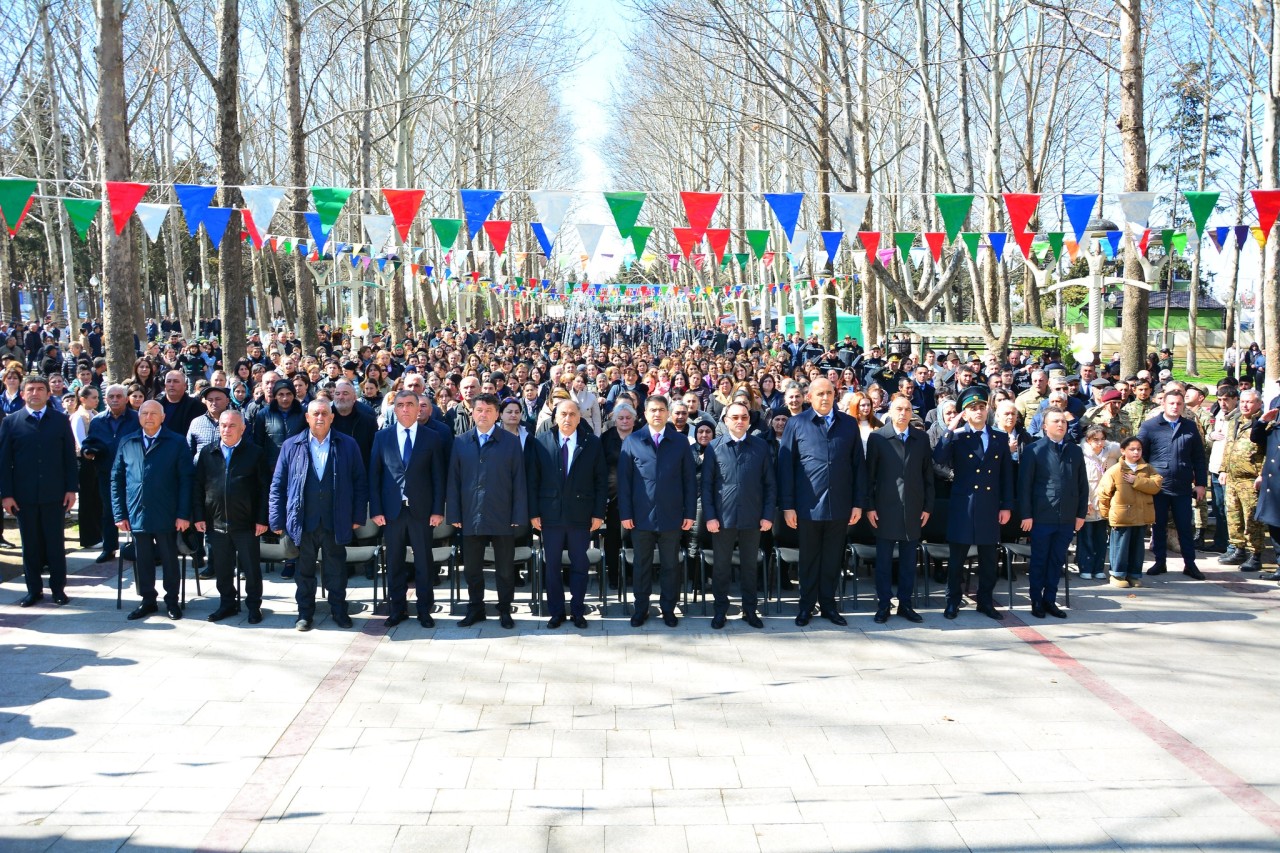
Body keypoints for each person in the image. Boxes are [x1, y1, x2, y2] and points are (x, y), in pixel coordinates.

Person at [268, 399, 369, 631]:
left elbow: (359, 482)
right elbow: (278, 484)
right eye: (315, 413)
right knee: (304, 572)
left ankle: (339, 611)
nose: (320, 417)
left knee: (336, 570)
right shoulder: (291, 445)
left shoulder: (348, 444)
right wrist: (276, 519)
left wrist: (357, 516)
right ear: (307, 417)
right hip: (303, 520)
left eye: (325, 413)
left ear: (332, 417)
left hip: (336, 519)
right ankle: (305, 614)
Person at [778, 377, 864, 627]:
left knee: (832, 559)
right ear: (810, 397)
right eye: (820, 394)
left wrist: (858, 503)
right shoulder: (796, 423)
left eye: (829, 393)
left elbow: (858, 466)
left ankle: (828, 606)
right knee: (809, 559)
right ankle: (806, 607)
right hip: (807, 506)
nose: (825, 398)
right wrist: (788, 505)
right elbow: (786, 467)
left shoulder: (848, 424)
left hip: (839, 505)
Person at [447, 393, 529, 628]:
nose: (483, 414)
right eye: (479, 410)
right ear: (472, 412)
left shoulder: (511, 442)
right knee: (472, 568)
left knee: (505, 569)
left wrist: (517, 515)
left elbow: (519, 481)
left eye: (488, 411)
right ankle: (476, 609)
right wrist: (454, 514)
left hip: (502, 514)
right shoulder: (461, 441)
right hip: (471, 514)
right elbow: (453, 481)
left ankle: (505, 610)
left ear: (496, 415)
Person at [932, 386, 1013, 620]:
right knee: (957, 560)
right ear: (964, 413)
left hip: (989, 506)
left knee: (989, 560)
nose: (978, 411)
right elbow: (938, 458)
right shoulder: (957, 437)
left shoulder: (999, 437)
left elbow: (1006, 474)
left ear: (987, 409)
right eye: (971, 408)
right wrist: (950, 429)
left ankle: (985, 602)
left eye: (981, 407)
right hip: (964, 506)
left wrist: (1006, 505)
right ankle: (952, 601)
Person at [617, 394, 698, 628]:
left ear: (668, 413)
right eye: (652, 410)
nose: (657, 414)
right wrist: (626, 513)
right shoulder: (632, 441)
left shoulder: (680, 442)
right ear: (645, 414)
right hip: (640, 516)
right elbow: (625, 483)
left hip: (672, 515)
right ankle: (641, 609)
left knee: (670, 565)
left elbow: (689, 481)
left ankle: (668, 609)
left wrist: (689, 513)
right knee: (642, 565)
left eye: (661, 410)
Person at [527, 399, 607, 629]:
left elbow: (600, 481)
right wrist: (533, 512)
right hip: (549, 515)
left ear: (579, 418)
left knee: (580, 564)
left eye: (573, 414)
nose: (567, 418)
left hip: (580, 515)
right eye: (563, 414)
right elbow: (533, 480)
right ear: (555, 417)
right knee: (551, 565)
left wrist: (598, 513)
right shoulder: (541, 441)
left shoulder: (591, 443)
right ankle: (556, 612)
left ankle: (578, 611)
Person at [112, 400, 194, 621]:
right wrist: (119, 514)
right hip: (137, 511)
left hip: (167, 513)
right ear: (139, 417)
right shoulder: (128, 442)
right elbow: (116, 478)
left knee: (169, 559)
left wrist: (183, 513)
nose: (149, 417)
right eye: (144, 413)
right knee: (144, 559)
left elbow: (187, 480)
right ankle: (148, 600)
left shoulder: (176, 442)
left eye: (153, 413)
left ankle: (172, 601)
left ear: (163, 417)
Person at [370, 390, 445, 629]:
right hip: (392, 512)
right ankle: (397, 609)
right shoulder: (382, 437)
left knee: (424, 562)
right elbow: (375, 477)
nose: (405, 409)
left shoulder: (431, 437)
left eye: (410, 404)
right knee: (394, 562)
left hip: (421, 511)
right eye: (400, 405)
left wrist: (437, 510)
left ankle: (424, 610)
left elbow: (438, 478)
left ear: (418, 408)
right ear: (394, 409)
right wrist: (376, 509)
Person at [0, 376, 78, 607]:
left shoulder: (60, 420)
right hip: (23, 496)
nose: (35, 393)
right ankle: (34, 590)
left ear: (47, 394)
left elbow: (68, 459)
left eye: (40, 389)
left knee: (55, 543)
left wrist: (71, 489)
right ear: (23, 394)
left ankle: (58, 590)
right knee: (30, 544)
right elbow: (4, 462)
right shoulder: (11, 422)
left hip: (55, 494)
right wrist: (6, 494)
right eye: (30, 389)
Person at [701, 400, 776, 629]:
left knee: (749, 567)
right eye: (735, 417)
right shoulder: (714, 447)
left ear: (749, 420)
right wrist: (710, 517)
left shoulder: (761, 447)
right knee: (722, 567)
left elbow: (770, 485)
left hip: (753, 518)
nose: (740, 421)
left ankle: (750, 611)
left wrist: (767, 515)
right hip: (722, 519)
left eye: (744, 417)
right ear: (725, 420)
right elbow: (706, 486)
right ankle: (720, 611)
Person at [192, 410, 271, 624]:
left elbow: (265, 489)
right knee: (223, 569)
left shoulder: (255, 453)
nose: (227, 430)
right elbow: (198, 487)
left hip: (246, 524)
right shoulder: (208, 453)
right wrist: (199, 516)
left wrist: (262, 519)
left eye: (232, 426)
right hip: (216, 523)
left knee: (251, 569)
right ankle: (227, 604)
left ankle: (254, 606)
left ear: (243, 429)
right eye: (223, 425)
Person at [863, 394, 935, 624]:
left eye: (907, 409)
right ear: (890, 412)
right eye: (899, 409)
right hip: (885, 508)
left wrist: (928, 507)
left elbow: (928, 476)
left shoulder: (921, 438)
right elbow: (869, 477)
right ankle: (883, 604)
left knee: (907, 562)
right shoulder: (878, 438)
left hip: (914, 509)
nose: (903, 413)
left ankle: (905, 604)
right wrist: (870, 507)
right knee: (883, 562)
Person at [1019, 409, 1088, 618]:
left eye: (1063, 421)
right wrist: (1026, 515)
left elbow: (1082, 484)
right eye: (1055, 421)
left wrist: (1080, 514)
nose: (1061, 424)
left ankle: (1050, 599)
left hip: (1067, 517)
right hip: (1042, 516)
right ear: (1044, 426)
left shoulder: (1074, 451)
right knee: (1040, 560)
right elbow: (1024, 486)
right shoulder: (1034, 450)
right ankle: (1036, 601)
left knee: (1057, 561)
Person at [1138, 387, 1208, 580]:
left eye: (1179, 403)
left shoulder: (1190, 426)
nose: (1175, 407)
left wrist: (1201, 483)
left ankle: (1190, 564)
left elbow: (1199, 458)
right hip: (1158, 486)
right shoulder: (1150, 426)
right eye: (1171, 403)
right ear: (1163, 404)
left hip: (1182, 486)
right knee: (1158, 526)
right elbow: (1140, 456)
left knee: (1184, 527)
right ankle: (1160, 562)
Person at [82, 383, 141, 563]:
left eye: (118, 396)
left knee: (136, 509)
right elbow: (89, 442)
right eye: (111, 397)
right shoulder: (98, 421)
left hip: (132, 473)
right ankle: (109, 547)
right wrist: (87, 451)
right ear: (105, 399)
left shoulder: (136, 418)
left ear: (125, 398)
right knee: (109, 511)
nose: (115, 400)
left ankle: (140, 547)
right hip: (106, 472)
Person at [1097, 437, 1163, 587]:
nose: (1136, 452)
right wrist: (1107, 514)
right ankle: (1118, 575)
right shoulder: (1115, 470)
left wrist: (1137, 481)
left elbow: (1156, 485)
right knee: (1120, 546)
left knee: (1137, 547)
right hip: (1122, 516)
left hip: (1141, 515)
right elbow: (1104, 494)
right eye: (1132, 449)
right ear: (1123, 451)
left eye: (1138, 449)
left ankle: (1134, 574)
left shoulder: (1147, 468)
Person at [1219, 389, 1266, 572]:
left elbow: (1268, 452)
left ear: (1259, 404)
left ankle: (1256, 553)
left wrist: (1262, 474)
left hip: (1251, 478)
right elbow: (1228, 446)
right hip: (1233, 477)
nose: (1245, 405)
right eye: (1243, 402)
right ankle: (1238, 548)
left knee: (1252, 519)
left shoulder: (1263, 423)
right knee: (1233, 515)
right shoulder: (1236, 421)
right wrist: (1223, 469)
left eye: (1250, 402)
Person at [1079, 425, 1121, 580]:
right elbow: (1080, 481)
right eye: (1095, 439)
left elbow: (1121, 449)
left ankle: (1098, 567)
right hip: (1088, 500)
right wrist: (1085, 500)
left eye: (1102, 439)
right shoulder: (1082, 454)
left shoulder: (1110, 454)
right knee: (1086, 537)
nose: (1099, 443)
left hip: (1104, 501)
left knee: (1101, 538)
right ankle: (1085, 567)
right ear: (1088, 440)